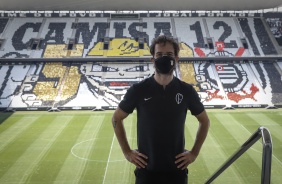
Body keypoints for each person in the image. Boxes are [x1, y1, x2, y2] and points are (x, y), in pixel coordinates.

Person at [112, 35, 210, 184]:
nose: (164, 58)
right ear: (153, 59)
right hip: (146, 171)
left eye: (169, 55)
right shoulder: (139, 90)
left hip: (177, 171)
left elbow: (204, 121)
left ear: (176, 59)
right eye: (159, 55)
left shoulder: (186, 91)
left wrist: (194, 153)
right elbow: (116, 118)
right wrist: (127, 152)